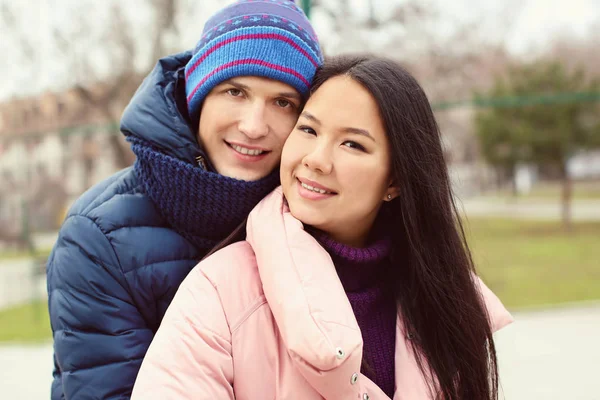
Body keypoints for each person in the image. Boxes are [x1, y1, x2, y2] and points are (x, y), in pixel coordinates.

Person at [131, 55, 513, 400]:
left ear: (395, 181)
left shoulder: (445, 303)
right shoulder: (220, 290)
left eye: (352, 145)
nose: (316, 160)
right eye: (309, 131)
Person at [46, 1, 323, 398]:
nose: (254, 125)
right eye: (235, 91)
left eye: (283, 102)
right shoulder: (98, 237)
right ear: (199, 94)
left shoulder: (315, 211)